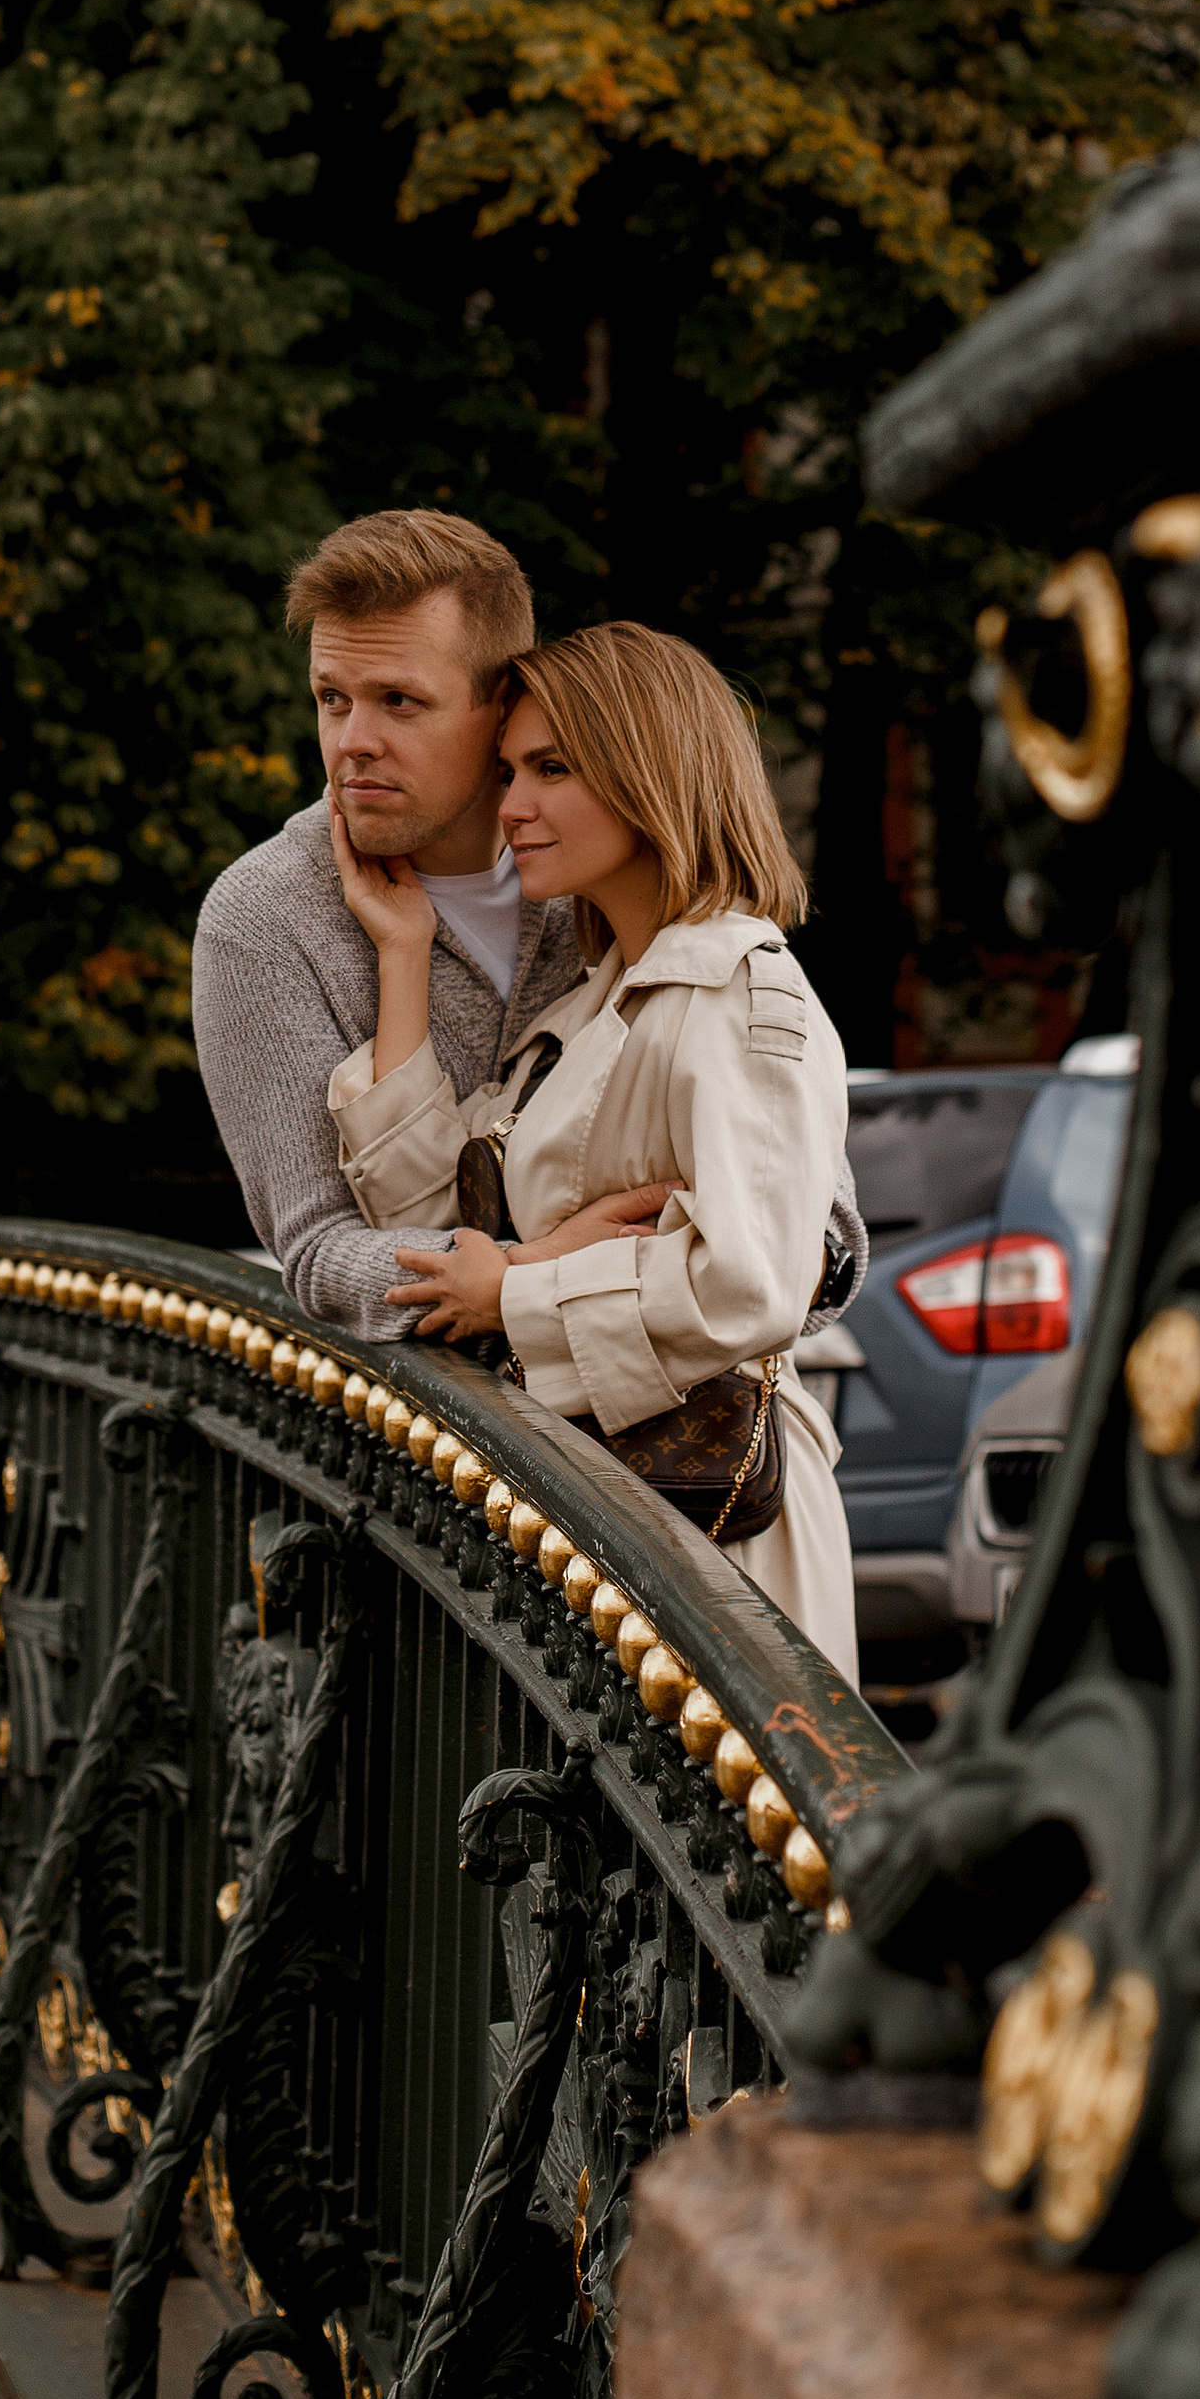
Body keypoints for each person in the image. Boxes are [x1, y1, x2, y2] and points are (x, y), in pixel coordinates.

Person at [323, 621, 865, 1685]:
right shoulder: (595, 1006)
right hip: (609, 1525)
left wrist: (516, 1291)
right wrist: (403, 953)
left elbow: (753, 1283)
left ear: (648, 773)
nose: (511, 807)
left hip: (718, 1530)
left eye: (551, 770)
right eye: (509, 772)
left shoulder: (741, 994)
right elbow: (431, 1226)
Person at [194, 509, 866, 1345]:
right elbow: (322, 1254)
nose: (353, 742)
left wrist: (529, 1281)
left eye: (400, 701)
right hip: (435, 1424)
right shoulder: (265, 918)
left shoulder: (605, 887)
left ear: (502, 702)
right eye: (333, 699)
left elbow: (810, 1246)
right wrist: (532, 1268)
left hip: (674, 1420)